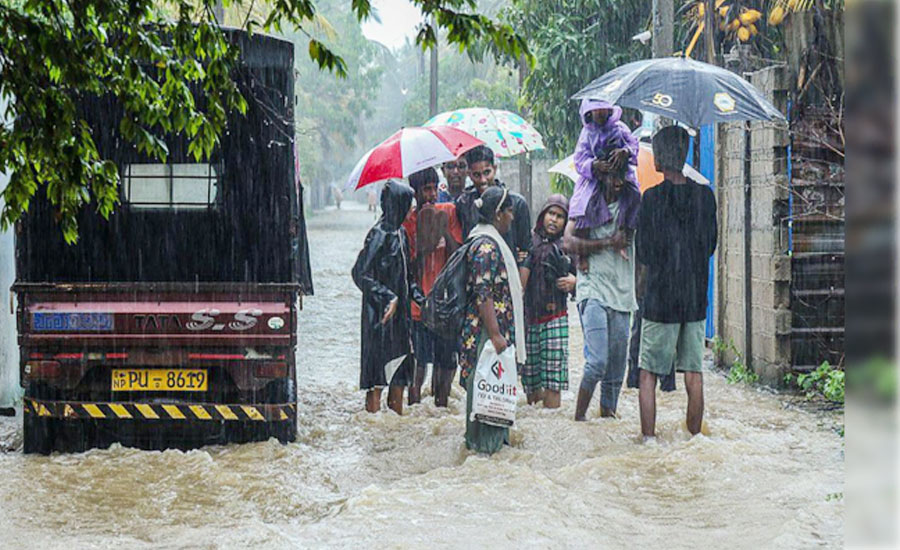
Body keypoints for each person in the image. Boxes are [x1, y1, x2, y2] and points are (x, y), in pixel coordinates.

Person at [636, 126, 717, 439]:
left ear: (658, 159)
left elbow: (644, 252)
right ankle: (695, 439)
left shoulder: (651, 199)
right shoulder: (705, 197)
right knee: (693, 374)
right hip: (695, 299)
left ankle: (648, 440)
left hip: (660, 299)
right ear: (683, 156)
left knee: (648, 374)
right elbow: (710, 245)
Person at [564, 164, 639, 421]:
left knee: (616, 371)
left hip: (622, 293)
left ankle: (607, 421)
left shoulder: (632, 205)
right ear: (601, 175)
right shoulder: (587, 203)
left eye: (622, 175)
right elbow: (568, 242)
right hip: (592, 289)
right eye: (612, 176)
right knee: (597, 362)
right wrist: (608, 242)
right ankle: (579, 420)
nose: (617, 181)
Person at [458, 186, 526, 454]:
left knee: (493, 393)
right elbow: (483, 293)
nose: (512, 217)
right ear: (498, 214)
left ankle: (487, 448)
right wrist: (496, 334)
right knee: (488, 394)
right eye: (509, 211)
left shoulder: (487, 240)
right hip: (487, 335)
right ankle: (485, 451)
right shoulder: (486, 247)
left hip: (488, 333)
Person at [352, 180, 425, 415]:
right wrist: (387, 297)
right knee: (376, 381)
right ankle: (373, 424)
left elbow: (407, 274)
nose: (411, 208)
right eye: (408, 203)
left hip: (401, 319)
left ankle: (396, 427)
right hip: (379, 319)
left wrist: (419, 297)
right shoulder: (378, 234)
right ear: (397, 204)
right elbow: (359, 273)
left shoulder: (401, 233)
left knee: (400, 376)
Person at [402, 167, 463, 407]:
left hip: (446, 303)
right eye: (425, 190)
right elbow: (406, 267)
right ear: (415, 192)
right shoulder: (408, 222)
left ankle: (441, 405)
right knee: (419, 360)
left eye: (434, 189)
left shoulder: (448, 212)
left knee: (447, 361)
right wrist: (424, 245)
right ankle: (415, 405)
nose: (431, 195)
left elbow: (459, 253)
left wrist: (442, 229)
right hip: (418, 306)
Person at [519, 195, 576, 408]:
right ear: (543, 215)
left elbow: (587, 276)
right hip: (530, 319)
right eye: (551, 214)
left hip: (556, 318)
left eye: (560, 216)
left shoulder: (569, 244)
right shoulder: (529, 241)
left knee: (554, 381)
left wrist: (575, 281)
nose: (554, 220)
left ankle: (551, 416)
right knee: (531, 381)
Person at [569, 99, 641, 251]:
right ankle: (582, 253)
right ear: (589, 113)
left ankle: (624, 229)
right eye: (596, 110)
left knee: (634, 195)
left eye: (603, 109)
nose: (600, 113)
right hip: (595, 178)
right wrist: (593, 165)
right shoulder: (586, 134)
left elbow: (634, 144)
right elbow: (579, 159)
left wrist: (625, 152)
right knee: (583, 203)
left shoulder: (620, 128)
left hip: (621, 172)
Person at [455, 145, 532, 265]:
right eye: (477, 175)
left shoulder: (516, 203)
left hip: (509, 271)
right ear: (469, 174)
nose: (483, 180)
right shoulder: (464, 204)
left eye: (487, 172)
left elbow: (526, 253)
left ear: (495, 169)